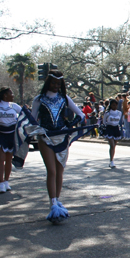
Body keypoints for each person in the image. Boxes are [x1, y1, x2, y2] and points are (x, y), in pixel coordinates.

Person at [31, 69, 85, 222]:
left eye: (59, 83)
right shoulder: (39, 99)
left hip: (62, 137)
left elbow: (80, 114)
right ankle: (53, 203)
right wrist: (37, 129)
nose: (56, 86)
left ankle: (57, 199)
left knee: (60, 170)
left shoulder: (65, 98)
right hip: (46, 137)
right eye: (53, 83)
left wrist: (71, 123)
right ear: (48, 82)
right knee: (52, 171)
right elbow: (33, 119)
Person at [101, 99, 123, 167]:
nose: (115, 106)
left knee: (114, 146)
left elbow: (120, 121)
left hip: (116, 128)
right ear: (110, 105)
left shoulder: (119, 113)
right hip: (109, 128)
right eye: (113, 105)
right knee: (112, 145)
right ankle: (111, 161)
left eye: (116, 105)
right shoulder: (107, 113)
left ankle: (112, 159)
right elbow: (104, 122)